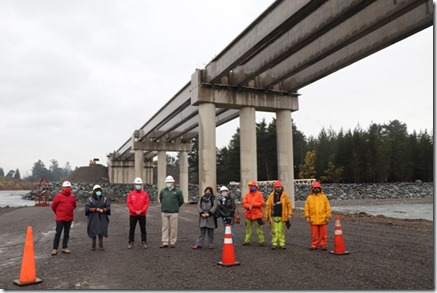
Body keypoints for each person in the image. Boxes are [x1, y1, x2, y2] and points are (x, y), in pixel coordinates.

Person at [51, 181, 77, 255]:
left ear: (70, 188)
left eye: (68, 187)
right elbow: (53, 206)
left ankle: (64, 248)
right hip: (60, 219)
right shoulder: (58, 196)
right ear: (63, 188)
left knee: (66, 233)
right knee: (58, 233)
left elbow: (74, 205)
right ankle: (55, 249)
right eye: (66, 187)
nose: (67, 189)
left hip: (68, 218)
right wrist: (58, 213)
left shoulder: (72, 196)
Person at [265, 181, 292, 250]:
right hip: (274, 216)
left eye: (279, 187)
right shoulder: (271, 196)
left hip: (282, 216)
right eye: (277, 187)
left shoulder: (285, 196)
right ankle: (274, 243)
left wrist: (290, 214)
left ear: (282, 187)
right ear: (275, 188)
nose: (278, 188)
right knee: (274, 231)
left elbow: (289, 205)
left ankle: (282, 243)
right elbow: (267, 206)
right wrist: (266, 216)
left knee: (281, 231)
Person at [304, 181, 332, 250]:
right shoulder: (309, 198)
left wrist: (328, 217)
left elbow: (327, 207)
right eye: (315, 188)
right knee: (314, 234)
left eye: (318, 188)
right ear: (312, 189)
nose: (316, 189)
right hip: (313, 219)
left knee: (323, 234)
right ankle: (314, 244)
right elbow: (306, 208)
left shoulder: (324, 197)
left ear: (320, 189)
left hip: (322, 219)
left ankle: (323, 244)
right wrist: (307, 216)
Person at [159, 175, 184, 248]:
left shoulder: (178, 191)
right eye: (167, 182)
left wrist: (175, 206)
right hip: (164, 212)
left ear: (173, 183)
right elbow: (161, 199)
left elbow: (181, 201)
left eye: (169, 182)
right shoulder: (163, 191)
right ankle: (165, 242)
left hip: (174, 212)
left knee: (173, 228)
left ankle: (173, 242)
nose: (168, 183)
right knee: (164, 227)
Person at [85, 184, 111, 251]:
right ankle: (93, 245)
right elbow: (87, 208)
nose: (98, 191)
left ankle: (101, 245)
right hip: (93, 217)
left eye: (99, 190)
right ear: (94, 191)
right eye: (97, 190)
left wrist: (104, 210)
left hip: (102, 217)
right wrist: (96, 209)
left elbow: (108, 207)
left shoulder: (104, 199)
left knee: (101, 231)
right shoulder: (90, 199)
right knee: (93, 230)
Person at [127, 177, 150, 249]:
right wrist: (134, 211)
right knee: (132, 229)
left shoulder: (145, 194)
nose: (138, 185)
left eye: (139, 184)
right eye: (136, 184)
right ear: (134, 185)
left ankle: (144, 241)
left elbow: (146, 203)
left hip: (142, 214)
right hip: (133, 215)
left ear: (141, 185)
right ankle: (131, 242)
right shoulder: (131, 194)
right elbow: (129, 203)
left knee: (143, 228)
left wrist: (141, 211)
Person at [242, 180, 265, 246]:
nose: (252, 187)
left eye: (252, 186)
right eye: (250, 186)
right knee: (248, 229)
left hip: (257, 215)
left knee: (259, 229)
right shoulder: (247, 195)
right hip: (249, 214)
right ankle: (247, 241)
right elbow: (244, 203)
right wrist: (249, 206)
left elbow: (261, 203)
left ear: (255, 186)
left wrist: (253, 204)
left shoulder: (259, 194)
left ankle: (261, 241)